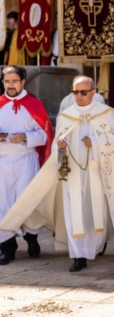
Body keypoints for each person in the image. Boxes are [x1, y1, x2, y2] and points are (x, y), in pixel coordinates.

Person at [0, 76, 114, 272]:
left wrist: (95, 142)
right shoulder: (66, 115)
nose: (79, 97)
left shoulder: (106, 113)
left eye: (83, 92)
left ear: (93, 92)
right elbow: (57, 144)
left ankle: (95, 246)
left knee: (93, 212)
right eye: (75, 93)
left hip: (96, 172)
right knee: (74, 214)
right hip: (71, 172)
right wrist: (61, 146)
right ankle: (78, 255)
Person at [0, 66, 52, 265]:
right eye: (7, 81)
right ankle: (8, 247)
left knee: (28, 202)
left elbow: (45, 135)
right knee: (3, 205)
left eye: (14, 81)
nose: (10, 85)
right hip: (2, 161)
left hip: (26, 161)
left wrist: (25, 137)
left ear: (23, 82)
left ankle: (32, 239)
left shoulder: (34, 105)